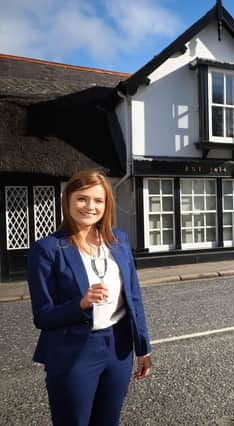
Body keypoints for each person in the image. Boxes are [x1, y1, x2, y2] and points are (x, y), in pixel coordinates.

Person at [27, 169, 152, 426]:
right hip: (74, 352)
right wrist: (81, 304)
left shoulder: (119, 240)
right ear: (68, 201)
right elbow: (43, 315)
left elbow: (134, 297)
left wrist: (143, 347)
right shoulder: (47, 249)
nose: (90, 206)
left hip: (118, 349)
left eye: (98, 200)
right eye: (82, 199)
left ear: (107, 205)